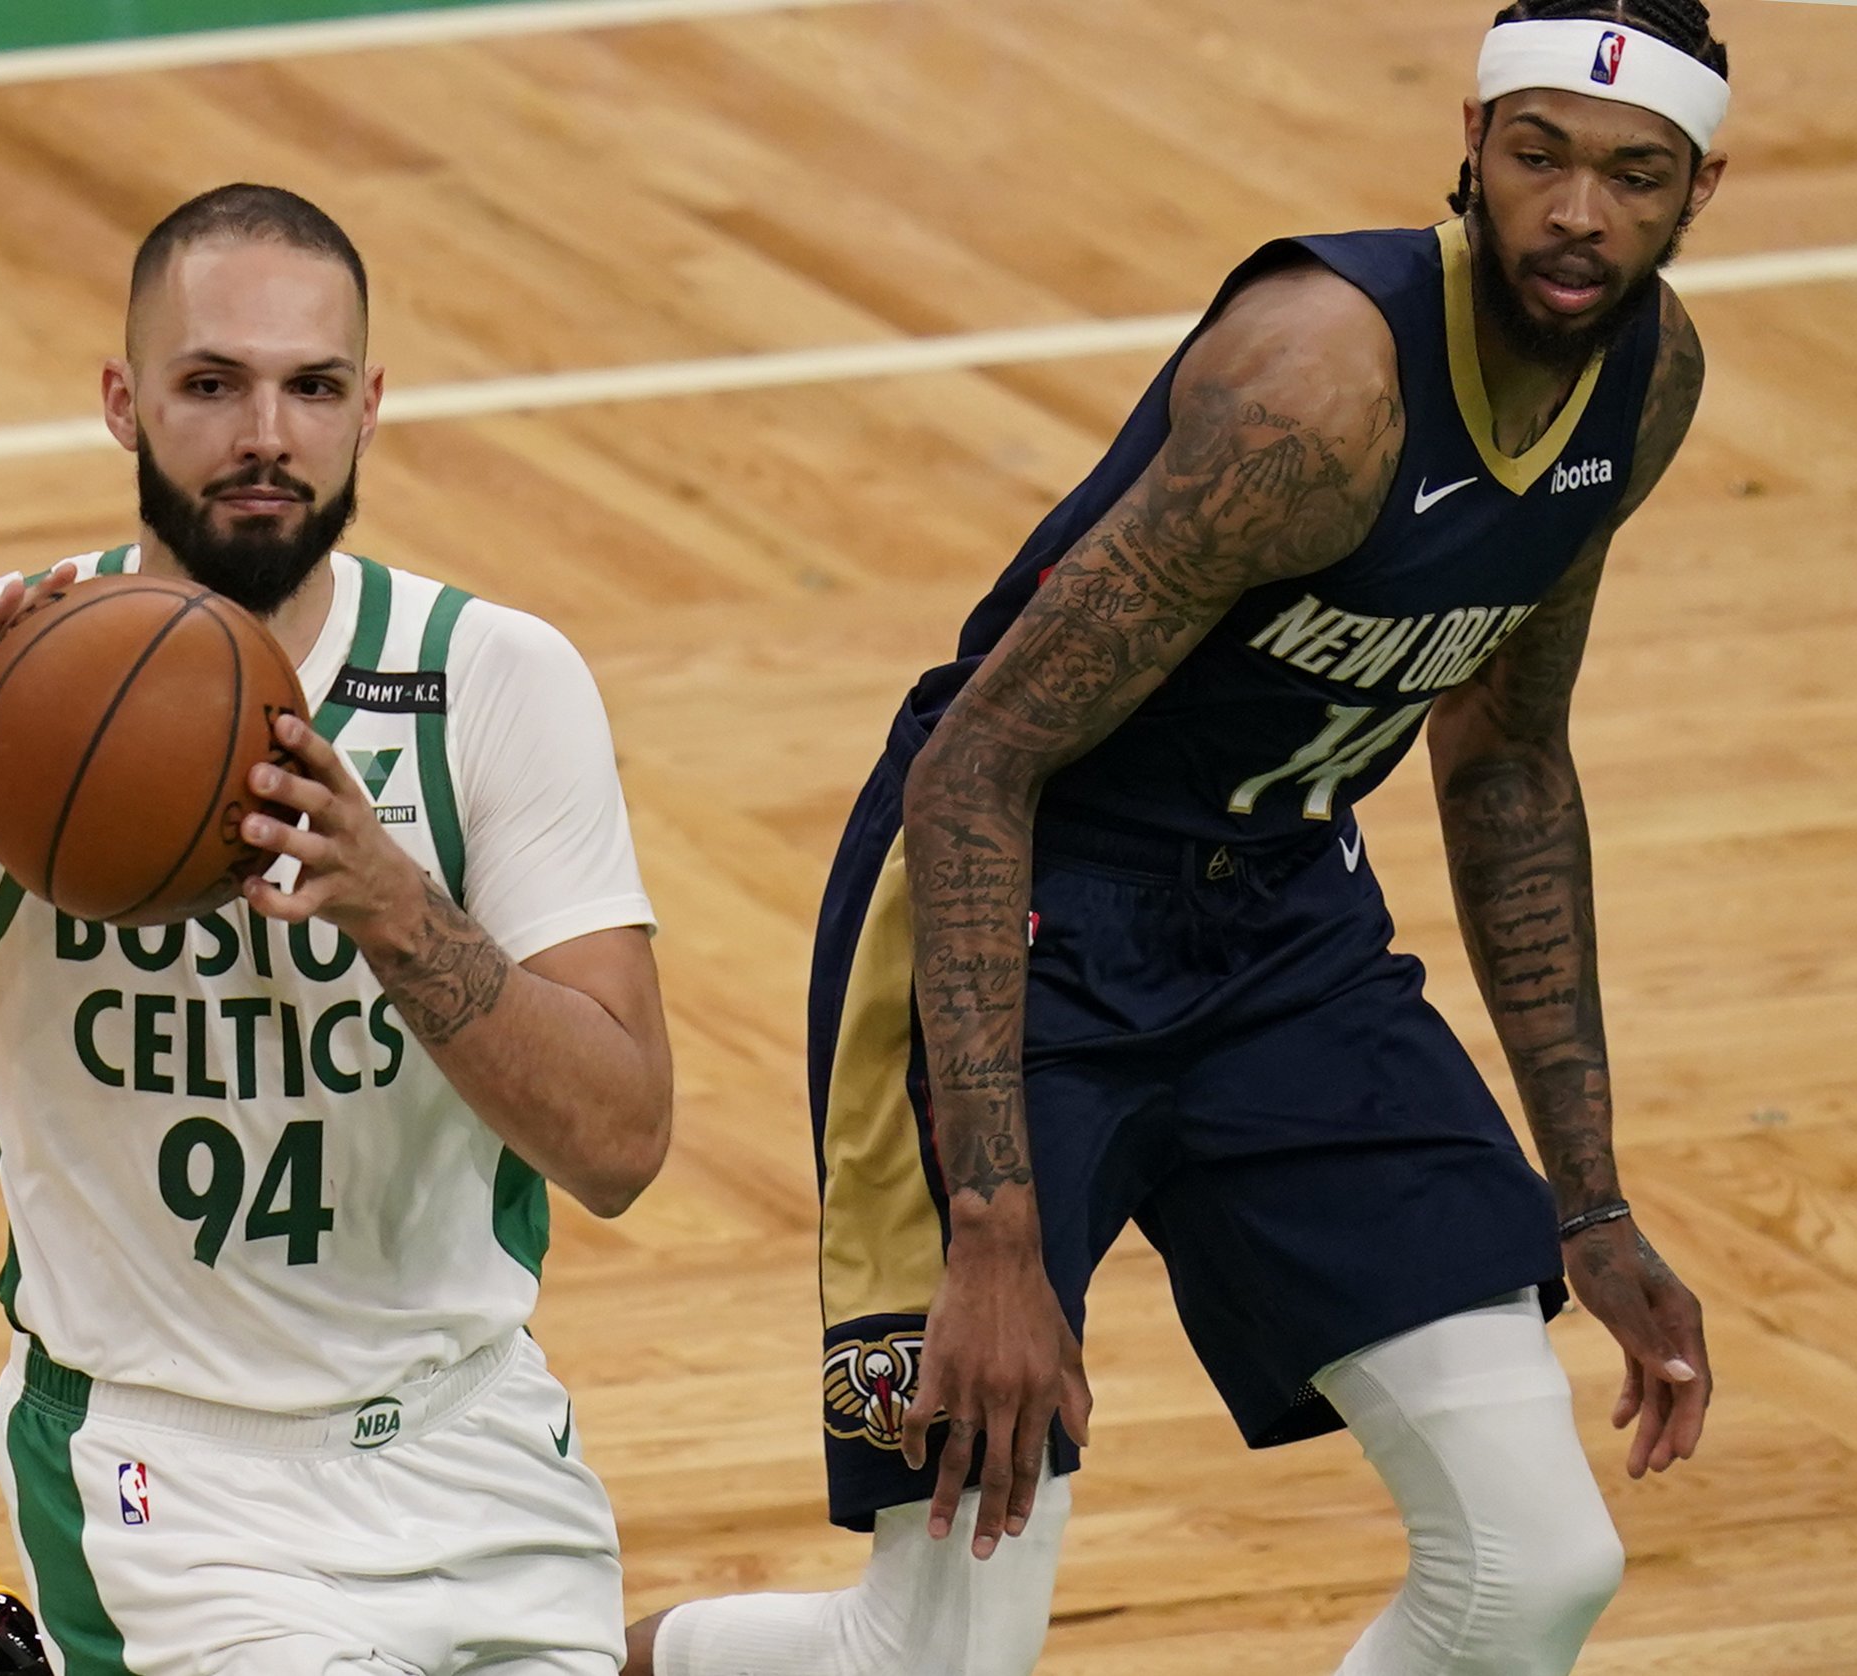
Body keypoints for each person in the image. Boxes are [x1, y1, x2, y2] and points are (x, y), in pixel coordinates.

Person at [629, 4, 1729, 1673]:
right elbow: (976, 773)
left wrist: (1591, 1197)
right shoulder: (1320, 389)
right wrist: (997, 1238)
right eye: (1539, 158)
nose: (1578, 214)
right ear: (1473, 143)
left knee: (1535, 1566)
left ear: (1698, 189)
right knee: (933, 1657)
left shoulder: (1646, 388)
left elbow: (1506, 761)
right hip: (1018, 926)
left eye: (1632, 175)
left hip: (1283, 928)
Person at [0, 183, 672, 1676]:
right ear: (123, 401)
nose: (265, 436)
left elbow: (620, 1143)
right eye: (211, 384)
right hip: (165, 1476)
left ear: (371, 407)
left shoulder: (493, 679)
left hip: (472, 1438)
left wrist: (391, 903)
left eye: (311, 388)